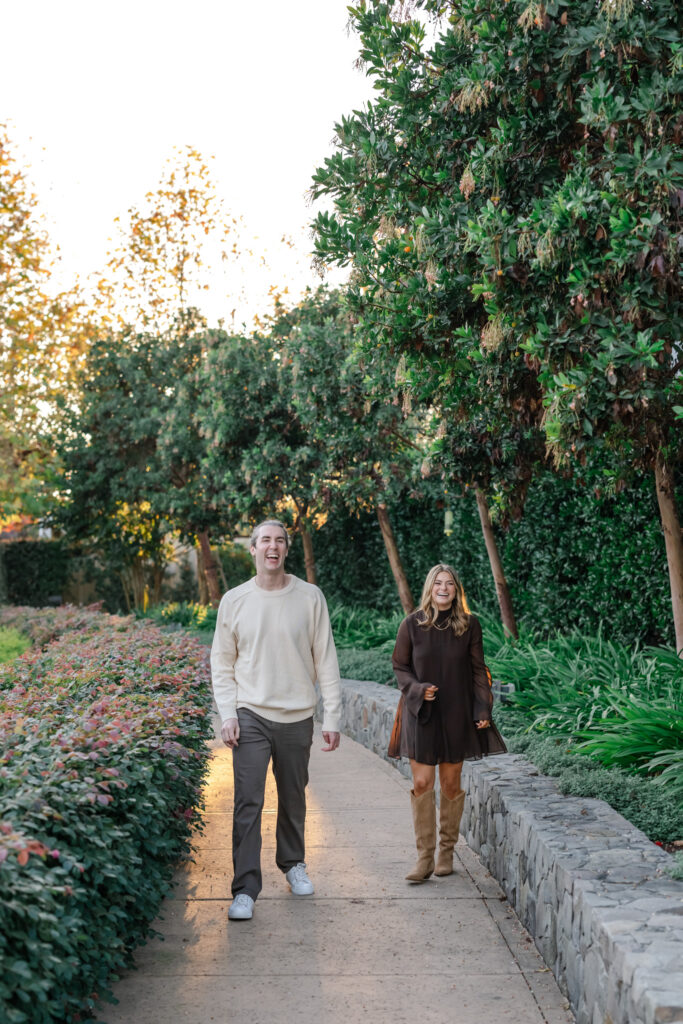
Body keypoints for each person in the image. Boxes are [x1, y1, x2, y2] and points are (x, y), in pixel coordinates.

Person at [210, 519, 342, 921]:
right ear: (252, 549)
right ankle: (245, 889)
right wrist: (228, 714)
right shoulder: (234, 600)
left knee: (293, 796)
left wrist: (331, 715)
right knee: (248, 801)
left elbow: (326, 657)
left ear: (286, 549)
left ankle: (293, 863)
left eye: (279, 541)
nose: (272, 546)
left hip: (298, 715)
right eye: (265, 540)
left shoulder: (310, 597)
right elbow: (222, 662)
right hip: (250, 714)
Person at [389, 563, 506, 882]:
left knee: (451, 785)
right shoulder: (411, 624)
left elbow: (479, 670)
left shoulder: (469, 625)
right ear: (430, 587)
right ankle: (424, 858)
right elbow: (400, 666)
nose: (443, 588)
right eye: (438, 583)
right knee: (423, 783)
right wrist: (416, 690)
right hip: (421, 715)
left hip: (456, 714)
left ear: (456, 591)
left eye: (450, 584)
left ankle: (446, 852)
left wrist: (483, 708)